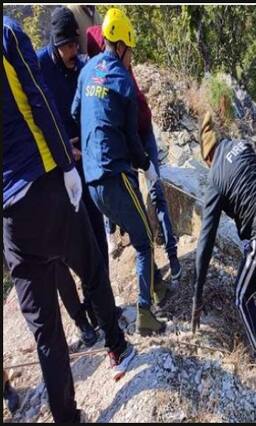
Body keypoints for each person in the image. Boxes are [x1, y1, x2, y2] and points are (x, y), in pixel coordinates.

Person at [3, 15, 135, 422]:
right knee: (92, 266)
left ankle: (67, 417)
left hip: (10, 218)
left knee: (46, 330)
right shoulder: (7, 33)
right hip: (44, 183)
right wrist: (67, 166)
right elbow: (39, 99)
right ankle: (117, 348)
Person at [71, 8, 168, 336]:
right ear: (122, 46)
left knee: (137, 227)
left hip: (91, 179)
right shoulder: (123, 82)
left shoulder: (87, 70)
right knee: (145, 241)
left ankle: (157, 285)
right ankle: (145, 312)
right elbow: (132, 138)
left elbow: (75, 112)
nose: (131, 59)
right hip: (115, 176)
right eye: (131, 51)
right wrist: (148, 166)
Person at [191, 112, 256, 365]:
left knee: (241, 296)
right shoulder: (241, 146)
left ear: (207, 157)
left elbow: (206, 238)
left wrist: (197, 292)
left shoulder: (215, 177)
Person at [85, 24, 182, 281]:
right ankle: (151, 271)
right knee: (136, 199)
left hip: (143, 131)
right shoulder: (97, 69)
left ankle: (172, 255)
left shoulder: (119, 64)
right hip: (127, 143)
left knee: (157, 192)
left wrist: (147, 164)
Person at [37, 6, 109, 347]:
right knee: (63, 253)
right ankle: (83, 318)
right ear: (55, 45)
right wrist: (63, 146)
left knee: (97, 235)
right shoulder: (39, 67)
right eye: (67, 46)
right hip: (56, 173)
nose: (73, 51)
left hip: (85, 165)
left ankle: (103, 306)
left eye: (75, 45)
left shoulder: (79, 65)